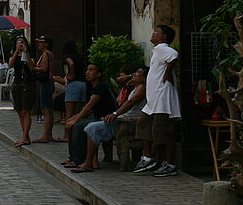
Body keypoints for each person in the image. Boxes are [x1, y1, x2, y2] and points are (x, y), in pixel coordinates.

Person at [73, 66, 148, 173]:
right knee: (91, 127)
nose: (134, 75)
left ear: (144, 78)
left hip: (128, 123)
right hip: (121, 121)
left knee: (92, 127)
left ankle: (88, 162)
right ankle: (90, 161)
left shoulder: (142, 88)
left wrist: (115, 114)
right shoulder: (135, 88)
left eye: (138, 73)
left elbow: (130, 102)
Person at [134, 24, 181, 178]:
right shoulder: (157, 51)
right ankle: (148, 157)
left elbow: (174, 55)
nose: (153, 34)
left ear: (163, 37)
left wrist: (167, 73)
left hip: (163, 99)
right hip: (153, 101)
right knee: (143, 124)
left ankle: (169, 164)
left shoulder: (163, 48)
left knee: (164, 132)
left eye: (156, 32)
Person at [61, 63, 116, 169]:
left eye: (91, 70)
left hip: (104, 119)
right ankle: (72, 157)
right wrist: (75, 117)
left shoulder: (101, 87)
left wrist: (76, 119)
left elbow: (89, 105)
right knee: (73, 124)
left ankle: (78, 160)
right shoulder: (91, 87)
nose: (87, 72)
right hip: (95, 117)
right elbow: (88, 108)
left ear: (98, 74)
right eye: (87, 70)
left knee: (77, 126)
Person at [53, 40, 87, 142]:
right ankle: (76, 135)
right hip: (83, 84)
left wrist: (71, 74)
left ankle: (66, 135)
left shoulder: (67, 57)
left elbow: (70, 63)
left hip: (74, 84)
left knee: (69, 113)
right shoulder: (79, 58)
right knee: (78, 112)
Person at [9, 35, 36, 147]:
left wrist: (26, 53)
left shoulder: (29, 55)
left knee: (26, 111)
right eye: (18, 42)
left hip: (27, 84)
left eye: (22, 42)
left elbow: (31, 67)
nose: (20, 44)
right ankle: (25, 135)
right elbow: (10, 64)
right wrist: (17, 51)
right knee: (20, 111)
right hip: (17, 84)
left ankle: (25, 137)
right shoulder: (15, 55)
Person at [31, 35, 55, 143]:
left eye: (42, 42)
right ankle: (48, 134)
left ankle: (46, 135)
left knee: (46, 110)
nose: (39, 44)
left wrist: (33, 68)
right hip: (47, 83)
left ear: (47, 44)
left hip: (45, 83)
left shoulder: (46, 54)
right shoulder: (48, 54)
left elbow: (44, 69)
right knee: (48, 110)